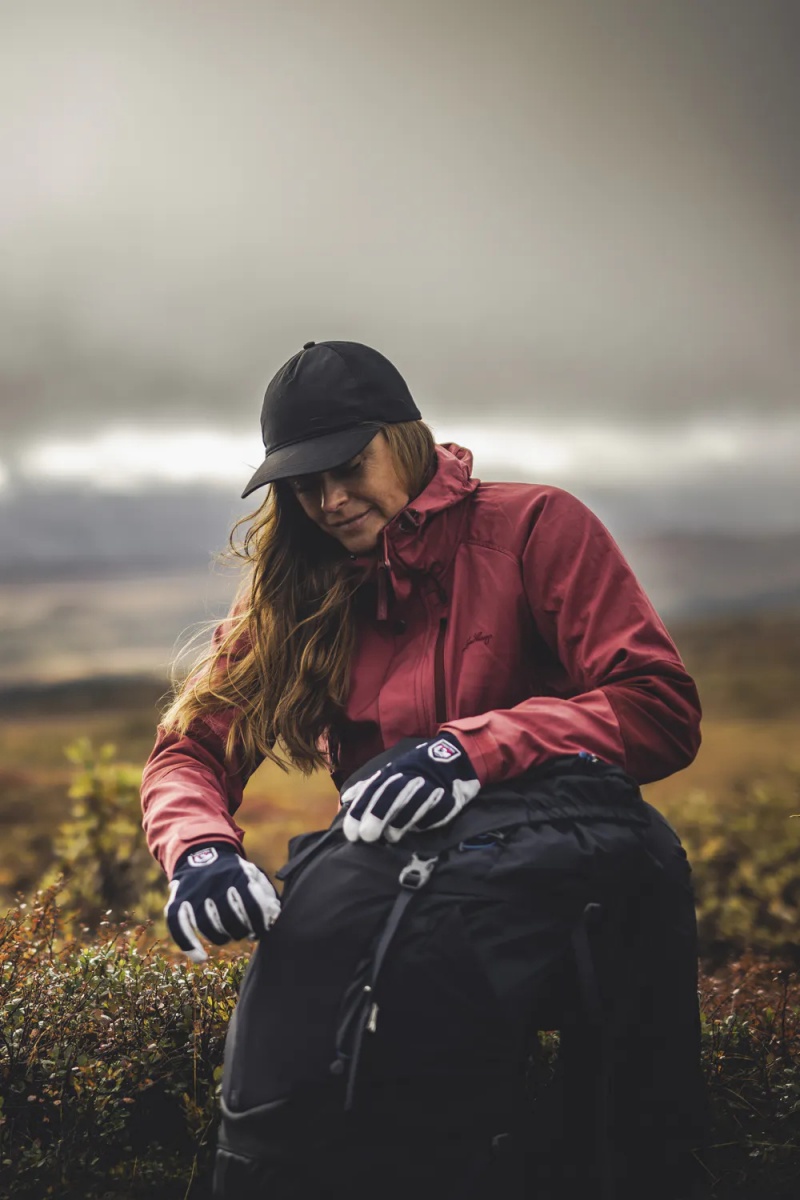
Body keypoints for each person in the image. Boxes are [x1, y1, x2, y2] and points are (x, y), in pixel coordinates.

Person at [140, 340, 709, 1198]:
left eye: (346, 466)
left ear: (404, 436)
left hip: (580, 893)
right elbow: (192, 748)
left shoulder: (535, 527)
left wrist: (475, 747)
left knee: (620, 1155)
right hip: (413, 909)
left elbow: (660, 707)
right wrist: (198, 852)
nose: (328, 500)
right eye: (301, 481)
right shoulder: (297, 585)